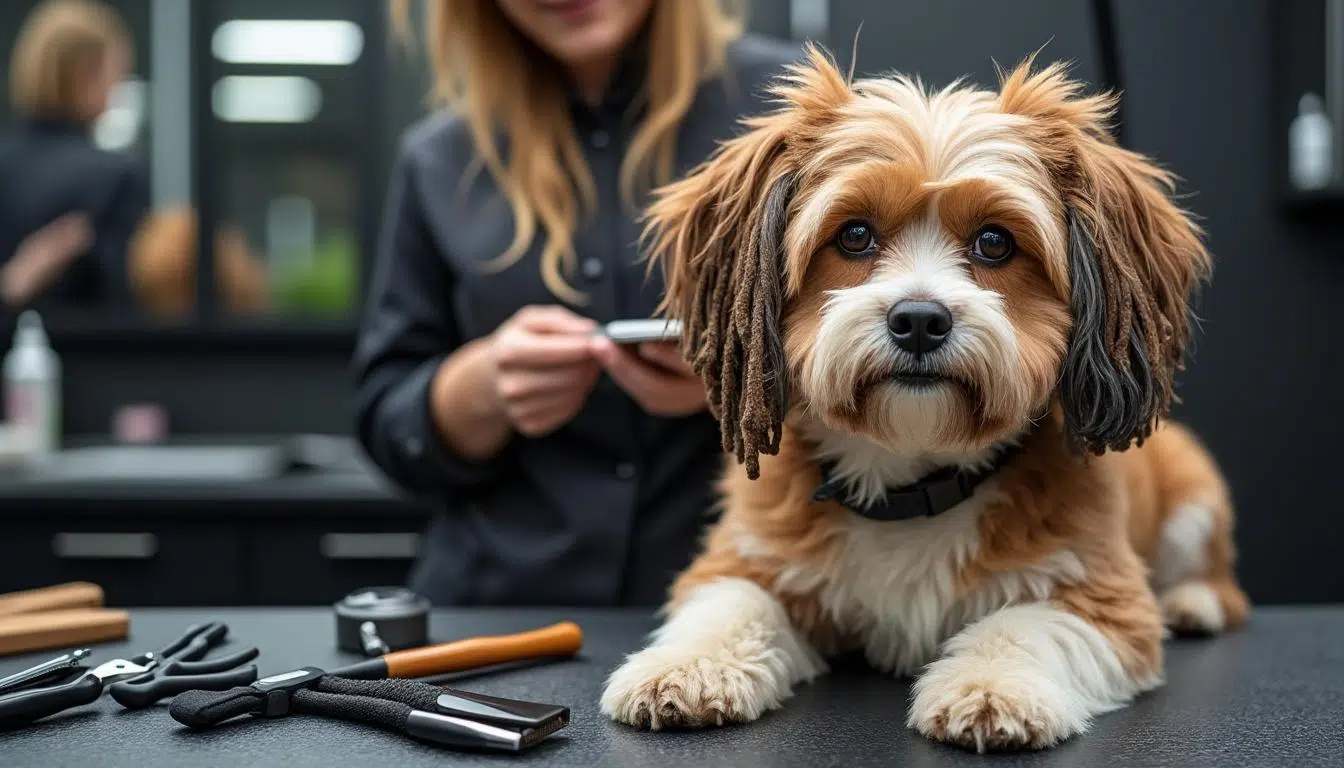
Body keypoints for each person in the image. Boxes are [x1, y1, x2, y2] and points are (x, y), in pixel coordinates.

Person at [353, 0, 798, 606]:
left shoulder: (793, 111)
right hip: (496, 613)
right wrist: (479, 390)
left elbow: (880, 347)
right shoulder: (439, 159)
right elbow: (386, 418)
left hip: (747, 599)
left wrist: (739, 386)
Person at [0, 0, 148, 312]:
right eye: (116, 74)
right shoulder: (115, 178)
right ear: (88, 73)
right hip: (88, 357)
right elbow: (124, 305)